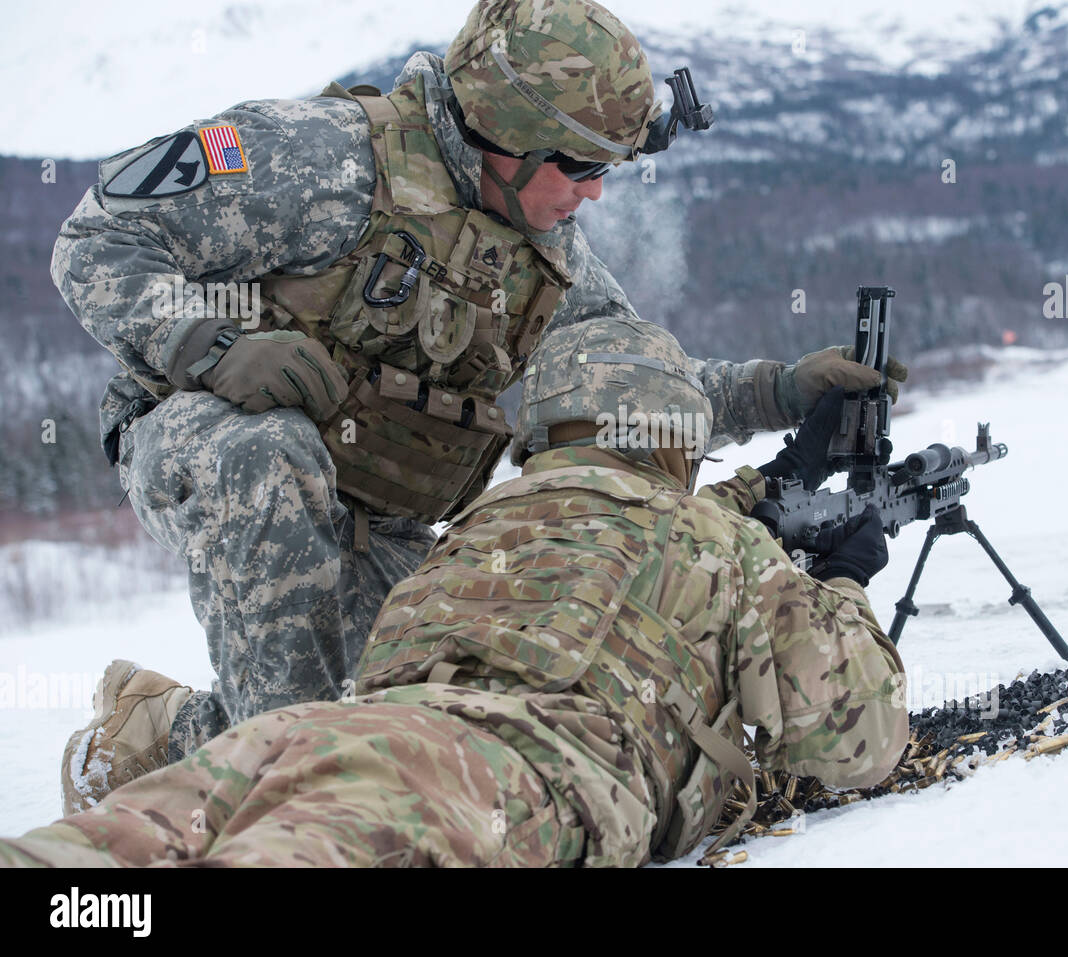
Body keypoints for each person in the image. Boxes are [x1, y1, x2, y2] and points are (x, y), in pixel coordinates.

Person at [52, 0, 907, 815]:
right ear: (508, 137)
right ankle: (275, 798)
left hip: (378, 513)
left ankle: (154, 734)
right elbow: (94, 237)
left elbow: (626, 391)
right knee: (277, 514)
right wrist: (209, 345)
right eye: (581, 166)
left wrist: (784, 390)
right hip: (209, 444)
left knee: (422, 712)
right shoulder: (318, 159)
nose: (597, 194)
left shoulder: (543, 253)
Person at [2, 317, 907, 867]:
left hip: (314, 734)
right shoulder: (714, 543)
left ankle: (131, 752)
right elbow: (860, 737)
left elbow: (619, 546)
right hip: (480, 778)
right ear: (677, 440)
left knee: (83, 875)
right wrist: (842, 581)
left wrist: (769, 491)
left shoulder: (488, 522)